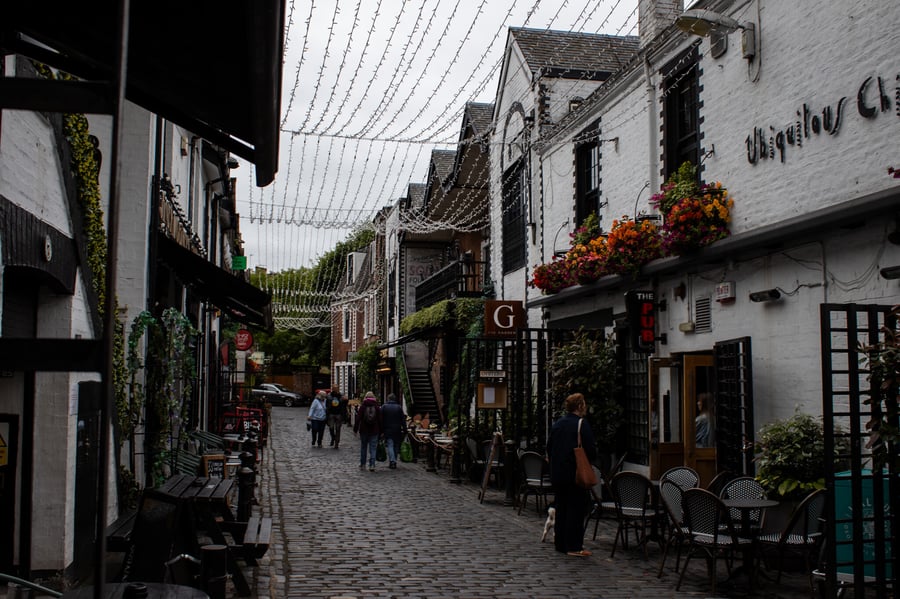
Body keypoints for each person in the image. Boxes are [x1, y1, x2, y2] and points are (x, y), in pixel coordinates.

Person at [547, 392, 597, 557]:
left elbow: (549, 447)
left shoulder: (558, 424)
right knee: (576, 509)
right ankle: (574, 545)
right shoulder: (581, 424)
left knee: (561, 508)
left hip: (558, 473)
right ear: (580, 406)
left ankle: (560, 543)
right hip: (574, 473)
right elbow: (590, 449)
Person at [353, 391, 382, 471]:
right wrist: (381, 430)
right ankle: (372, 465)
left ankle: (363, 464)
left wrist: (355, 429)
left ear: (365, 397)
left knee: (363, 447)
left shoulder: (363, 406)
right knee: (373, 448)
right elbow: (380, 420)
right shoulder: (377, 407)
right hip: (374, 430)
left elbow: (358, 419)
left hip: (364, 430)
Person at [380, 393, 406, 469]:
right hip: (397, 429)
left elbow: (381, 420)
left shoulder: (384, 407)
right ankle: (394, 460)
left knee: (390, 445)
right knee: (396, 446)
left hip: (387, 429)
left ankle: (392, 461)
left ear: (388, 399)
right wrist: (405, 430)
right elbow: (403, 420)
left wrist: (381, 430)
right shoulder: (399, 407)